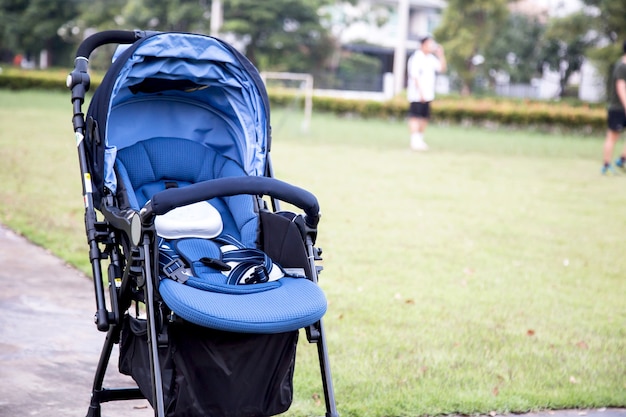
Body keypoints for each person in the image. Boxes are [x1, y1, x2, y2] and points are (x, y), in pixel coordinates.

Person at [407, 35, 447, 151]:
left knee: (424, 117)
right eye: (430, 44)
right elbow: (415, 77)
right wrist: (420, 93)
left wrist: (441, 55)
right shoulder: (416, 58)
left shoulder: (431, 58)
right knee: (415, 117)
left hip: (429, 93)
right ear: (423, 45)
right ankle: (414, 141)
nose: (432, 46)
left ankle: (419, 140)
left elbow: (442, 69)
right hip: (416, 95)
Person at [601, 40, 626, 175]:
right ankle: (606, 165)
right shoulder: (621, 67)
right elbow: (621, 88)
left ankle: (622, 159)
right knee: (612, 137)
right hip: (618, 108)